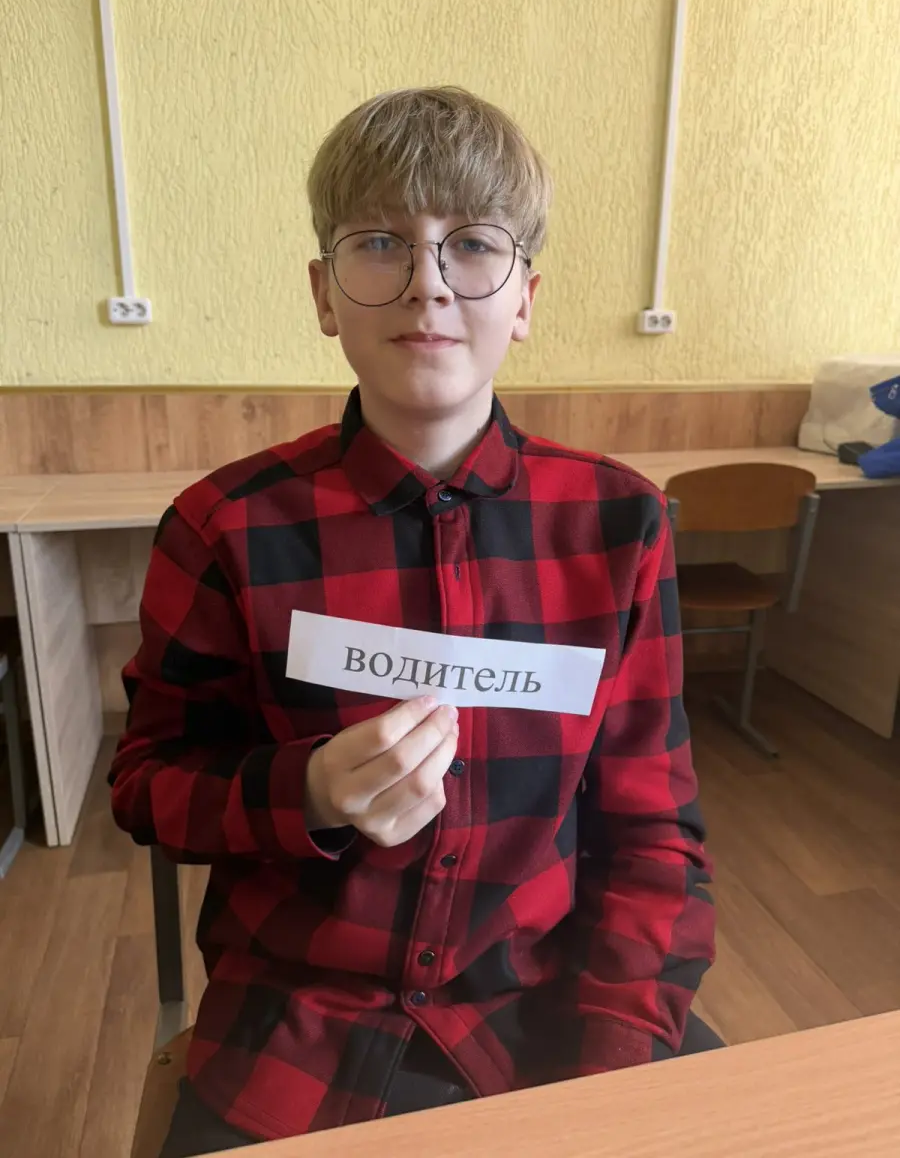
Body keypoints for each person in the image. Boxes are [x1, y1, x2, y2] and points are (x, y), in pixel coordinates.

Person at [110, 86, 718, 1158]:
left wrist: (612, 1072)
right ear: (325, 293)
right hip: (297, 1030)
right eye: (382, 242)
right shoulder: (224, 527)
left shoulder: (621, 523)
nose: (428, 284)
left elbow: (654, 835)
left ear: (524, 298)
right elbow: (147, 784)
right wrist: (306, 789)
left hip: (542, 1014)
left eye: (472, 244)